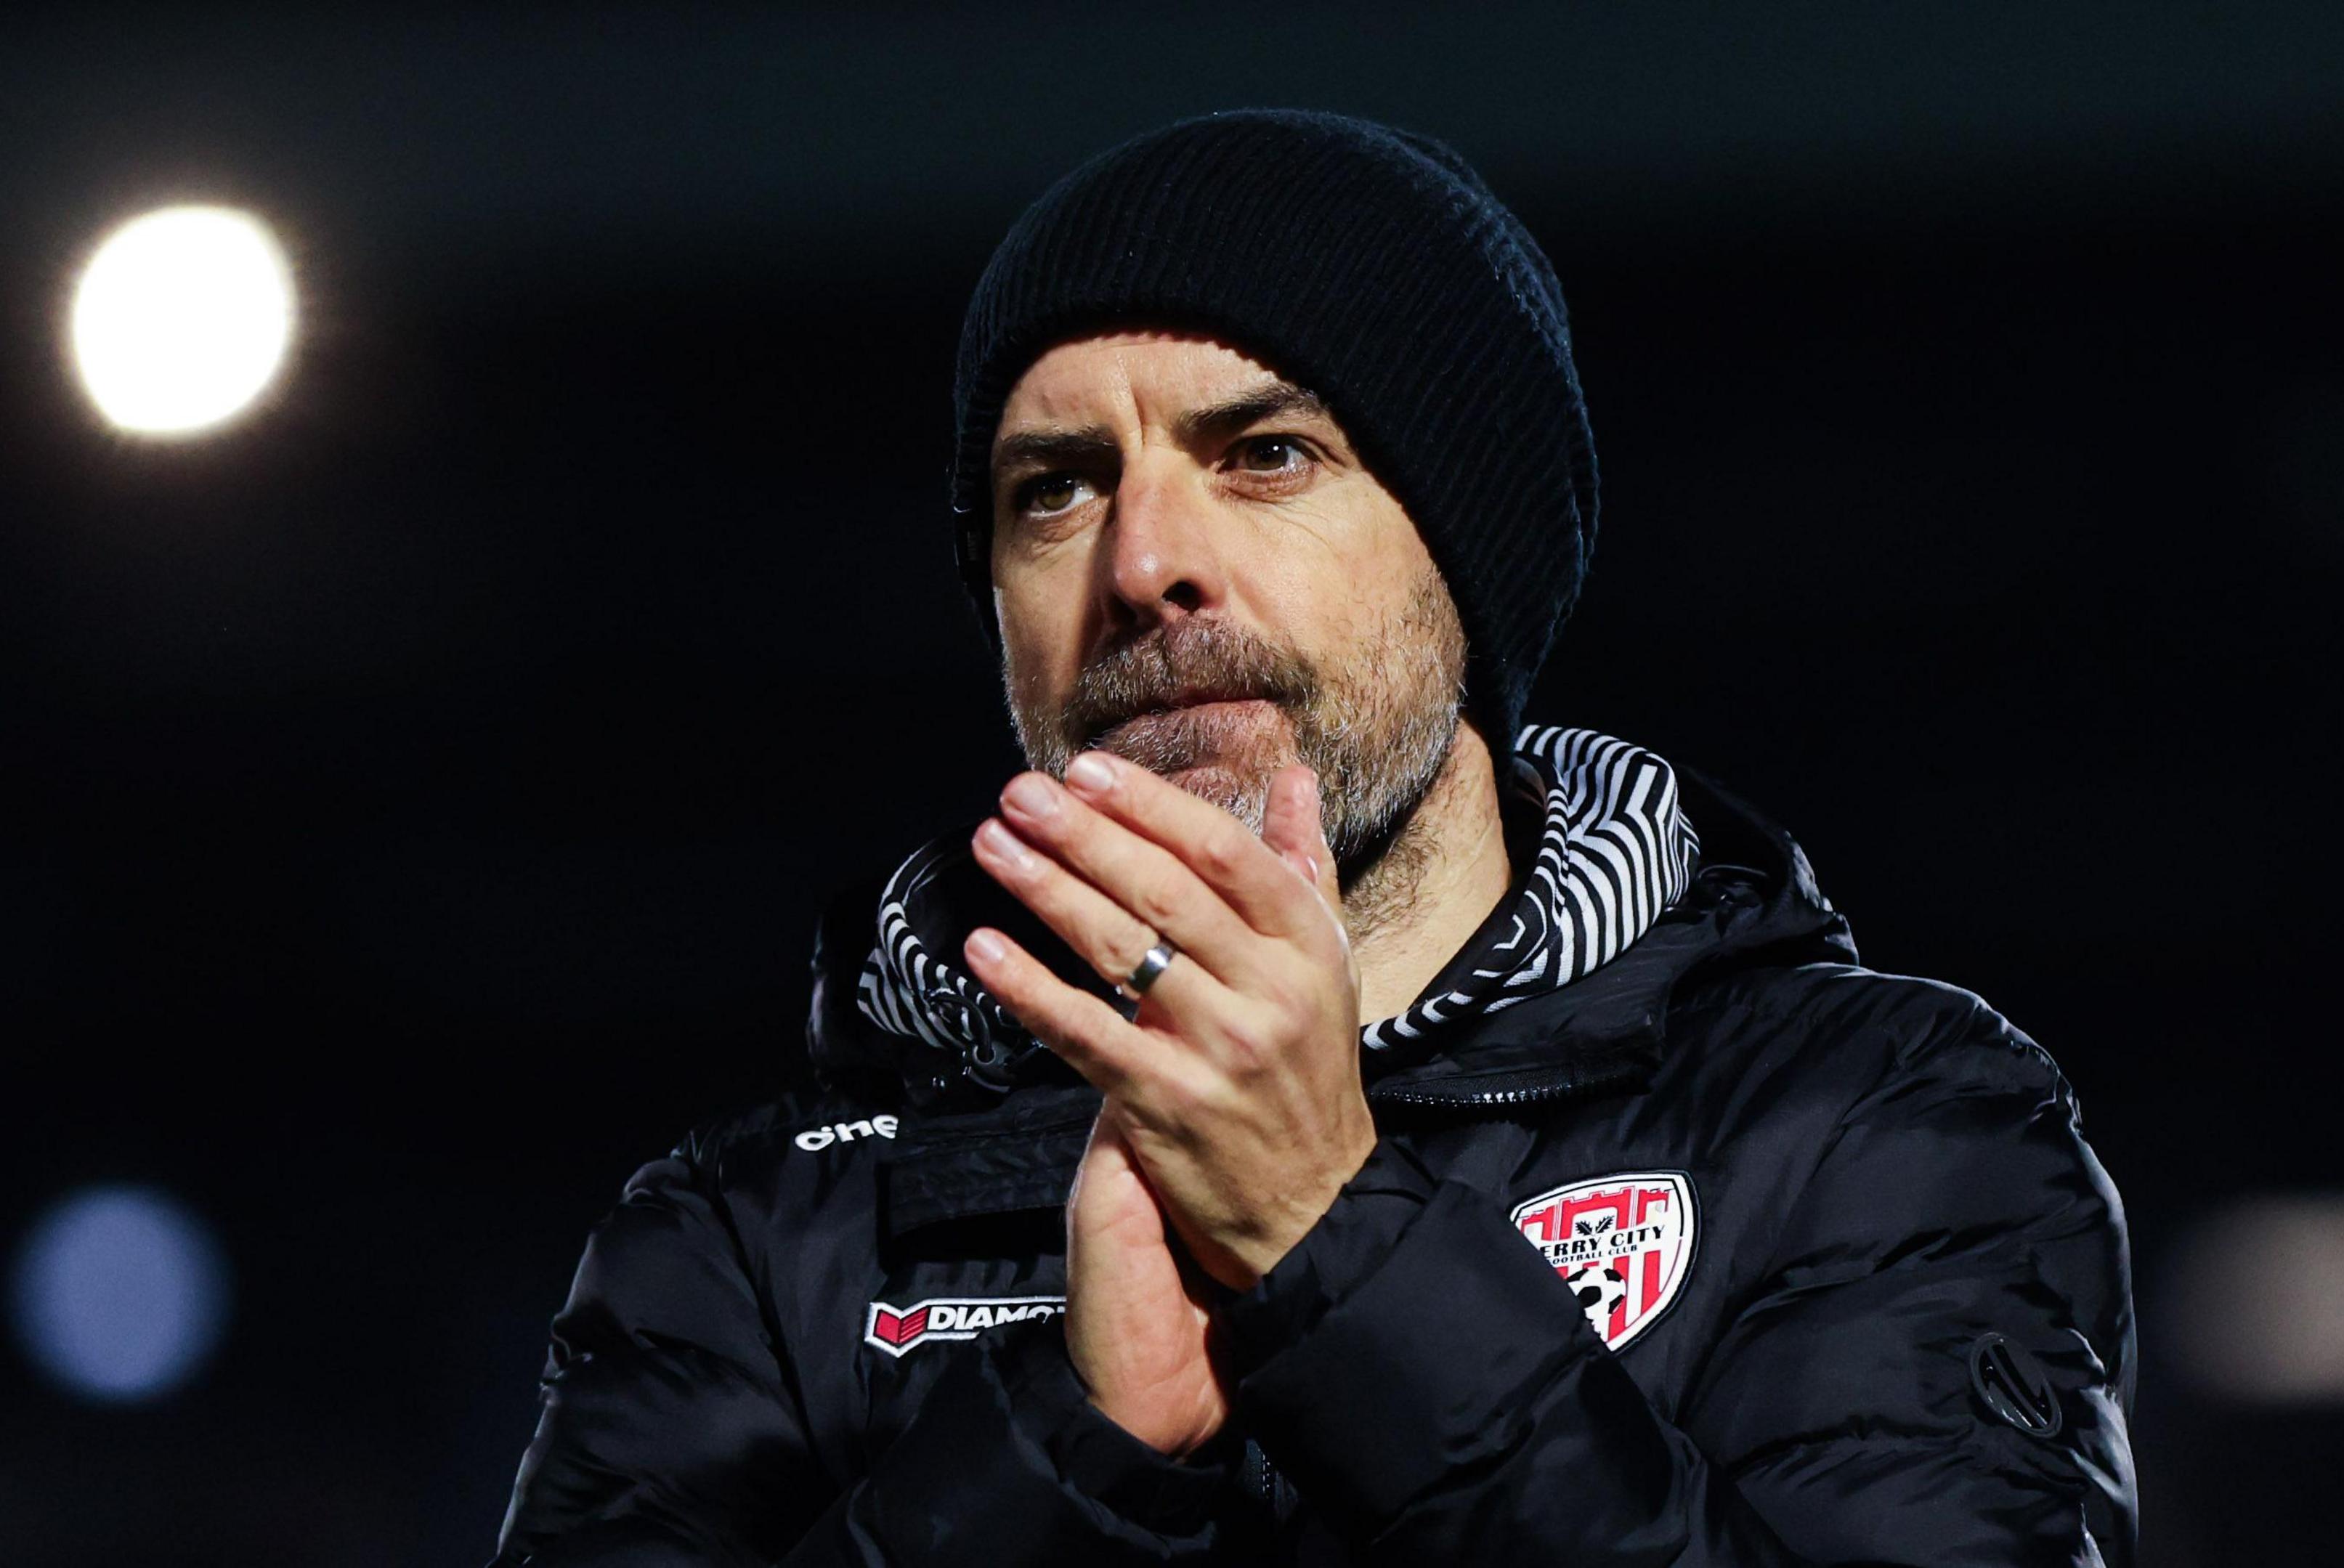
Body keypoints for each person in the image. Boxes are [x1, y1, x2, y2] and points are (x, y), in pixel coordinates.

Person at [490, 107, 2137, 1567]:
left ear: (1466, 557)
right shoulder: (749, 1231)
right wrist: (1074, 1449)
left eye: (1266, 456)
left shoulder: (1868, 1120)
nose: (1141, 563)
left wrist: (1332, 1244)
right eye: (1053, 488)